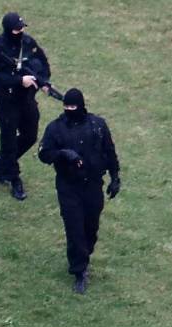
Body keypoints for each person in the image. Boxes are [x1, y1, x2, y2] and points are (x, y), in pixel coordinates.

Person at [38, 88, 121, 294]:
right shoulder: (56, 129)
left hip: (93, 184)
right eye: (66, 107)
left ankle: (85, 252)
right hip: (69, 186)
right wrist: (63, 154)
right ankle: (79, 270)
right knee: (74, 229)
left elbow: (109, 151)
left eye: (73, 107)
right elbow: (44, 154)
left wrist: (115, 177)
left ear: (81, 106)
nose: (69, 110)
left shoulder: (98, 126)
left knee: (90, 227)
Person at [0, 12, 51, 200]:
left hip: (27, 99)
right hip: (7, 101)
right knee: (9, 139)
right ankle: (14, 178)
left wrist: (44, 81)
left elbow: (43, 63)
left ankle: (2, 163)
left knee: (30, 135)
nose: (20, 32)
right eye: (16, 29)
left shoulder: (28, 43)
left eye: (22, 28)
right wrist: (19, 80)